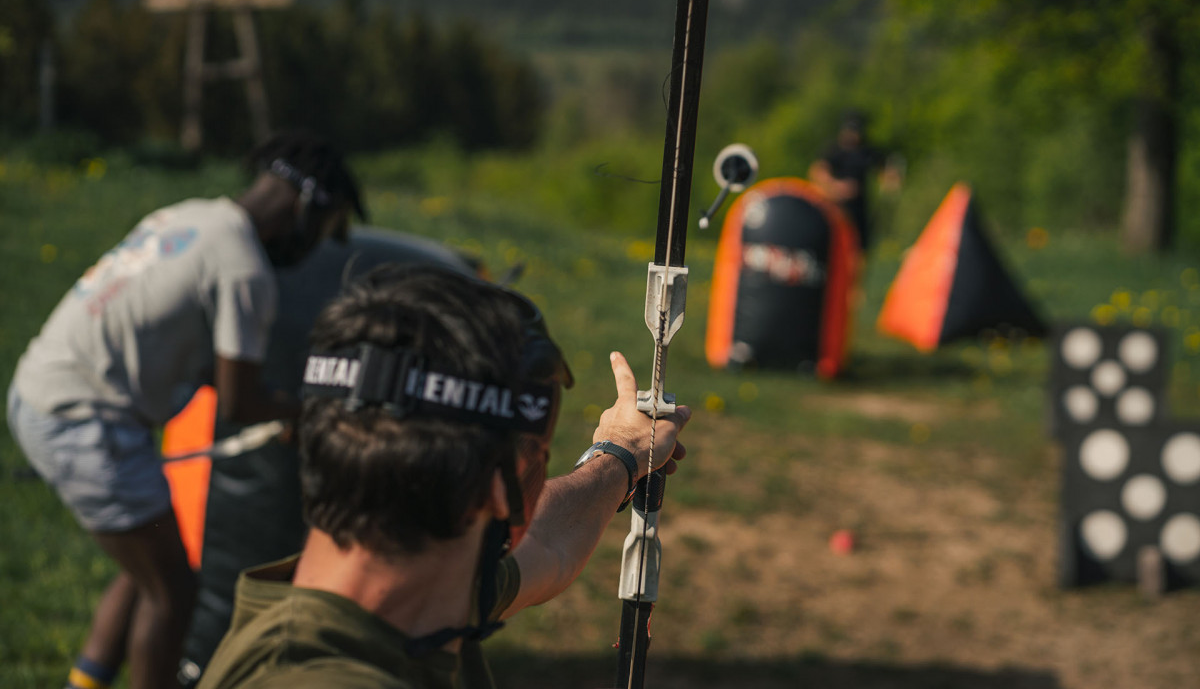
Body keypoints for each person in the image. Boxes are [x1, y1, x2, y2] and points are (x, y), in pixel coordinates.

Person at [197, 265, 690, 689]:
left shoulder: (410, 597)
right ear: (503, 487)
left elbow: (545, 543)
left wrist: (622, 453)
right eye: (539, 455)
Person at [6, 130, 367, 689]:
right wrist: (302, 413)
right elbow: (240, 400)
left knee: (147, 562)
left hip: (39, 389)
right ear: (306, 207)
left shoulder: (189, 216)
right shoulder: (245, 268)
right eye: (326, 228)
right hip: (85, 420)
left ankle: (87, 680)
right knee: (172, 591)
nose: (318, 242)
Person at [808, 110, 901, 251]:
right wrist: (838, 187)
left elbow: (886, 168)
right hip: (837, 208)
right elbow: (817, 172)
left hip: (860, 210)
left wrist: (890, 182)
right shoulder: (834, 150)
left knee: (860, 249)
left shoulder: (866, 151)